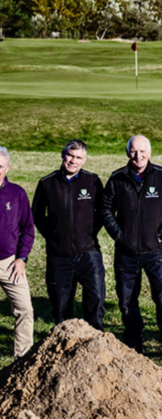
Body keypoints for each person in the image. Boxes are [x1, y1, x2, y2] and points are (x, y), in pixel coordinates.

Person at [102, 135, 162, 363]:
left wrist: (161, 235)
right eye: (134, 152)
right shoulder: (117, 178)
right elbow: (106, 209)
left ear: (150, 152)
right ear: (128, 153)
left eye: (142, 151)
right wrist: (119, 235)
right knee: (127, 300)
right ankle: (134, 345)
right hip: (126, 253)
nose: (138, 156)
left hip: (154, 251)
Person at [32, 139, 106, 330]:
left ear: (85, 160)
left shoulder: (93, 181)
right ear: (63, 155)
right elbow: (38, 215)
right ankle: (65, 344)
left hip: (88, 252)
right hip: (59, 254)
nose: (73, 161)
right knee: (61, 304)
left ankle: (96, 338)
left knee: (95, 297)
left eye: (78, 157)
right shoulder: (47, 183)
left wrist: (89, 233)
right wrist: (54, 236)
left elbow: (102, 212)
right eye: (70, 155)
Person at [0, 147, 35, 359]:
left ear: (7, 168)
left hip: (9, 263)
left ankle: (22, 362)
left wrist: (21, 259)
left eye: (0, 166)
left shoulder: (17, 193)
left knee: (25, 310)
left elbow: (28, 229)